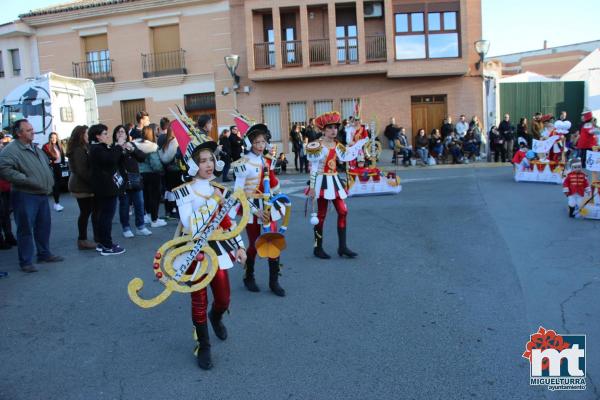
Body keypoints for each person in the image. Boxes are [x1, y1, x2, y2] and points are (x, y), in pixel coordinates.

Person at [170, 133, 247, 370]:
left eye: (210, 159)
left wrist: (240, 246)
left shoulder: (218, 189)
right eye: (202, 160)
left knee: (223, 298)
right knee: (199, 300)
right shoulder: (184, 191)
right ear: (193, 164)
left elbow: (227, 222)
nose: (208, 164)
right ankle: (203, 345)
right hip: (195, 250)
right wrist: (214, 201)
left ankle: (217, 316)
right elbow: (191, 224)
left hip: (218, 248)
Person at [0, 119, 64, 272]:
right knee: (25, 228)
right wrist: (25, 180)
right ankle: (26, 261)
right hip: (25, 194)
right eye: (28, 130)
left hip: (41, 193)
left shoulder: (34, 147)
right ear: (19, 133)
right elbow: (4, 168)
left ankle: (44, 253)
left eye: (32, 129)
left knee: (43, 226)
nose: (32, 132)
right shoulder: (11, 149)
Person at [233, 124, 287, 297]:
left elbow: (272, 184)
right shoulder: (242, 163)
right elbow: (238, 192)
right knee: (255, 245)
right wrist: (255, 211)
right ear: (250, 143)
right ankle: (248, 276)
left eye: (263, 141)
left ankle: (274, 281)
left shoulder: (266, 160)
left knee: (272, 240)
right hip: (252, 208)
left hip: (268, 207)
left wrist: (278, 196)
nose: (261, 145)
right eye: (257, 142)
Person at [306, 111, 368, 259]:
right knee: (321, 215)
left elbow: (347, 155)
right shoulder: (317, 145)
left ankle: (342, 247)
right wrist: (313, 187)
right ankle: (317, 247)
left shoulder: (337, 144)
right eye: (330, 127)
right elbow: (314, 167)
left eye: (335, 127)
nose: (334, 130)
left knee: (343, 211)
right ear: (323, 129)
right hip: (321, 181)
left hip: (334, 180)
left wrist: (360, 143)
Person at [89, 123, 126, 256]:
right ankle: (107, 246)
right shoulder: (96, 149)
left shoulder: (99, 147)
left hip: (106, 187)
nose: (107, 136)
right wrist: (118, 146)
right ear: (97, 136)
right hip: (105, 188)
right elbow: (111, 160)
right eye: (104, 134)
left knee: (104, 216)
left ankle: (102, 243)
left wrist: (118, 147)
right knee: (106, 217)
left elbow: (112, 157)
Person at [114, 125, 152, 238]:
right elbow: (114, 160)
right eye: (118, 132)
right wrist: (119, 147)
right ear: (115, 135)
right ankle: (126, 228)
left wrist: (133, 149)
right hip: (123, 181)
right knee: (125, 205)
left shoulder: (132, 145)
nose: (121, 134)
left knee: (139, 203)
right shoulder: (113, 147)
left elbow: (142, 157)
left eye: (123, 132)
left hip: (136, 179)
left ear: (127, 135)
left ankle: (140, 226)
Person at [67, 125, 98, 250]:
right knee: (85, 212)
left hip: (84, 185)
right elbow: (82, 170)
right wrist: (94, 182)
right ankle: (82, 239)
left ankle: (87, 238)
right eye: (86, 134)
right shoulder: (78, 150)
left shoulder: (84, 147)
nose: (88, 136)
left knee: (88, 212)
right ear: (81, 135)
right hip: (81, 186)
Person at [136, 126, 166, 228]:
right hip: (153, 174)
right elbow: (155, 163)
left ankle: (148, 216)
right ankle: (155, 220)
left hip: (141, 174)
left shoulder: (137, 145)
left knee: (146, 197)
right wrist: (161, 169)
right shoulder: (152, 146)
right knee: (154, 197)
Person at [42, 132, 66, 212]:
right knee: (55, 185)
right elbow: (44, 157)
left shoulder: (58, 145)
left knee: (58, 185)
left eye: (55, 137)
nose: (54, 139)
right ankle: (56, 203)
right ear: (49, 138)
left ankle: (57, 203)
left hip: (58, 166)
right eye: (52, 137)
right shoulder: (46, 146)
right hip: (52, 167)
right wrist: (51, 159)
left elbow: (61, 156)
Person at [0, 137, 16, 250]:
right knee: (1, 214)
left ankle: (9, 235)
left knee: (6, 213)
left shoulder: (4, 153)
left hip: (6, 187)